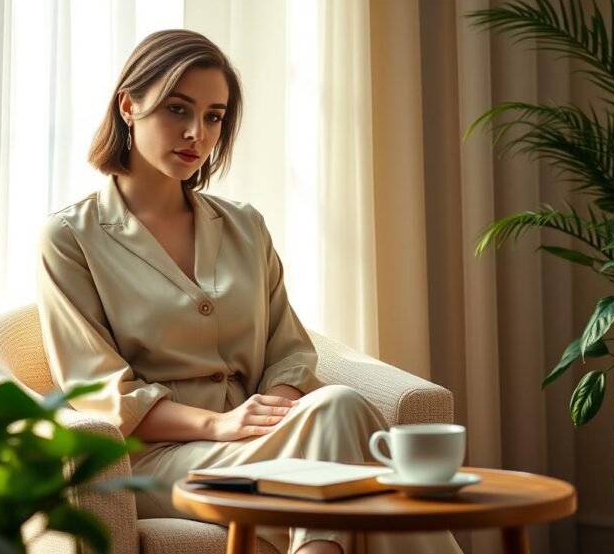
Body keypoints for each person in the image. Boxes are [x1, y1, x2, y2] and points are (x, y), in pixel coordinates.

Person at [36, 29, 461, 554]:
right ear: (129, 106)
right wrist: (218, 425)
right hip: (157, 460)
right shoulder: (71, 237)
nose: (197, 132)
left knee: (336, 420)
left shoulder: (244, 226)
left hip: (264, 443)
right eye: (177, 109)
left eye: (214, 116)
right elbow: (99, 390)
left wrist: (268, 416)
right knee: (346, 427)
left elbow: (289, 350)